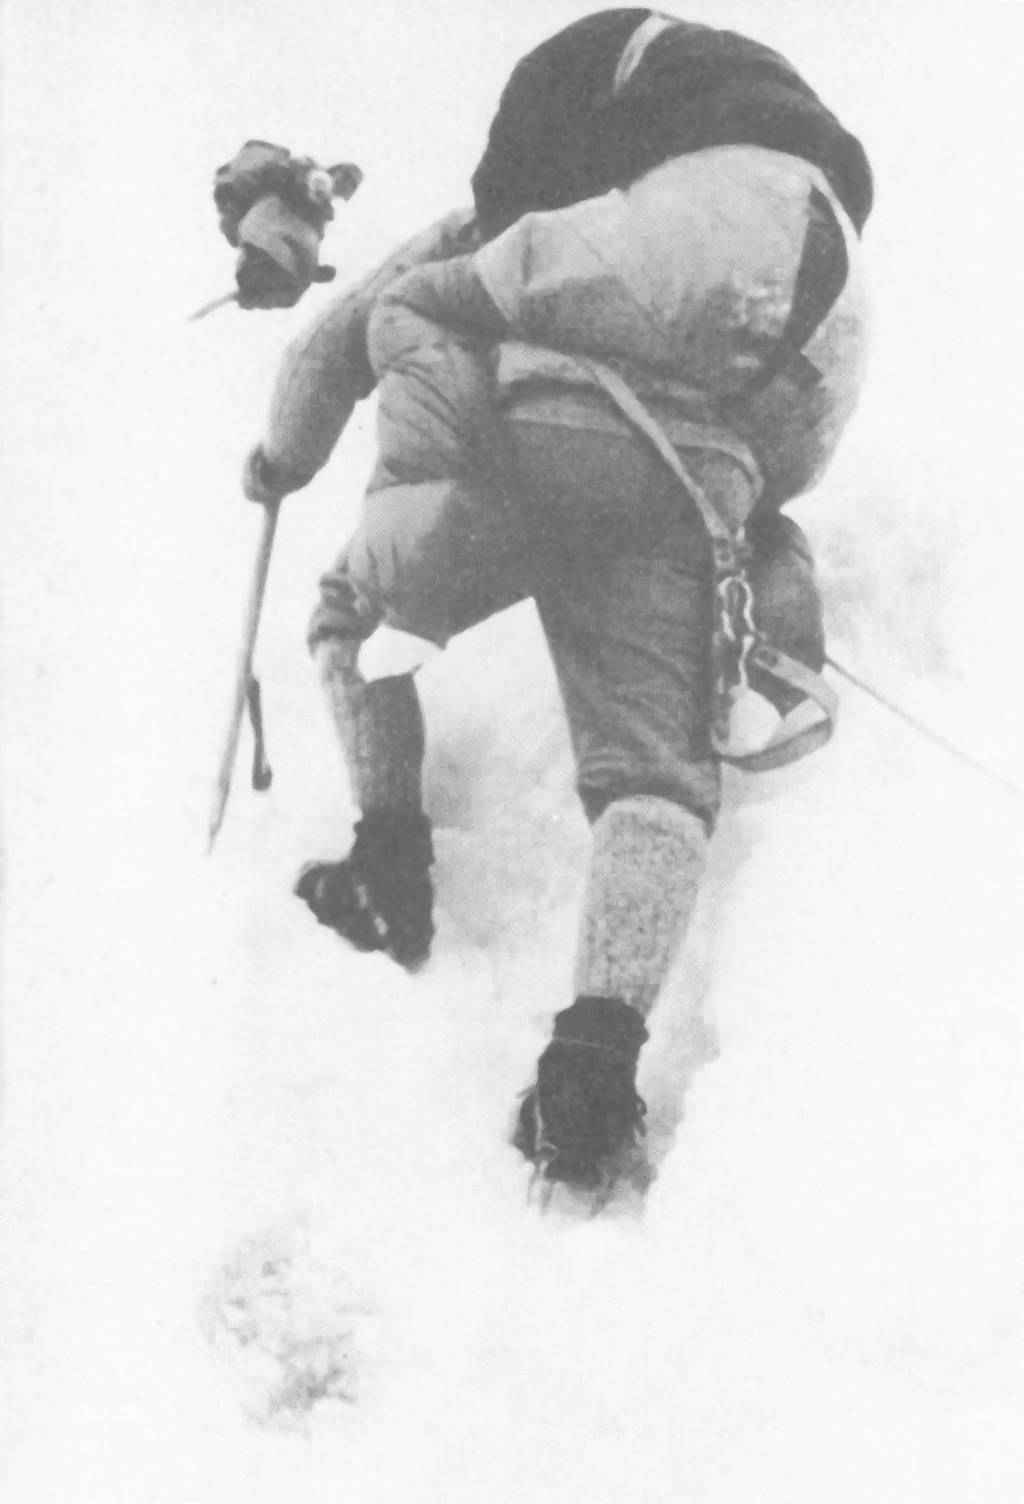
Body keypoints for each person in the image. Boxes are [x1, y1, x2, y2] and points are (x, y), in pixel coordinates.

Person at [233, 10, 872, 1190]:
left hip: (585, 393)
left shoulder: (546, 206)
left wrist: (280, 460)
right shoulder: (683, 175)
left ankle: (385, 860)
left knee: (356, 609)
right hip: (805, 357)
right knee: (653, 776)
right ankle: (595, 1058)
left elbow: (335, 343)